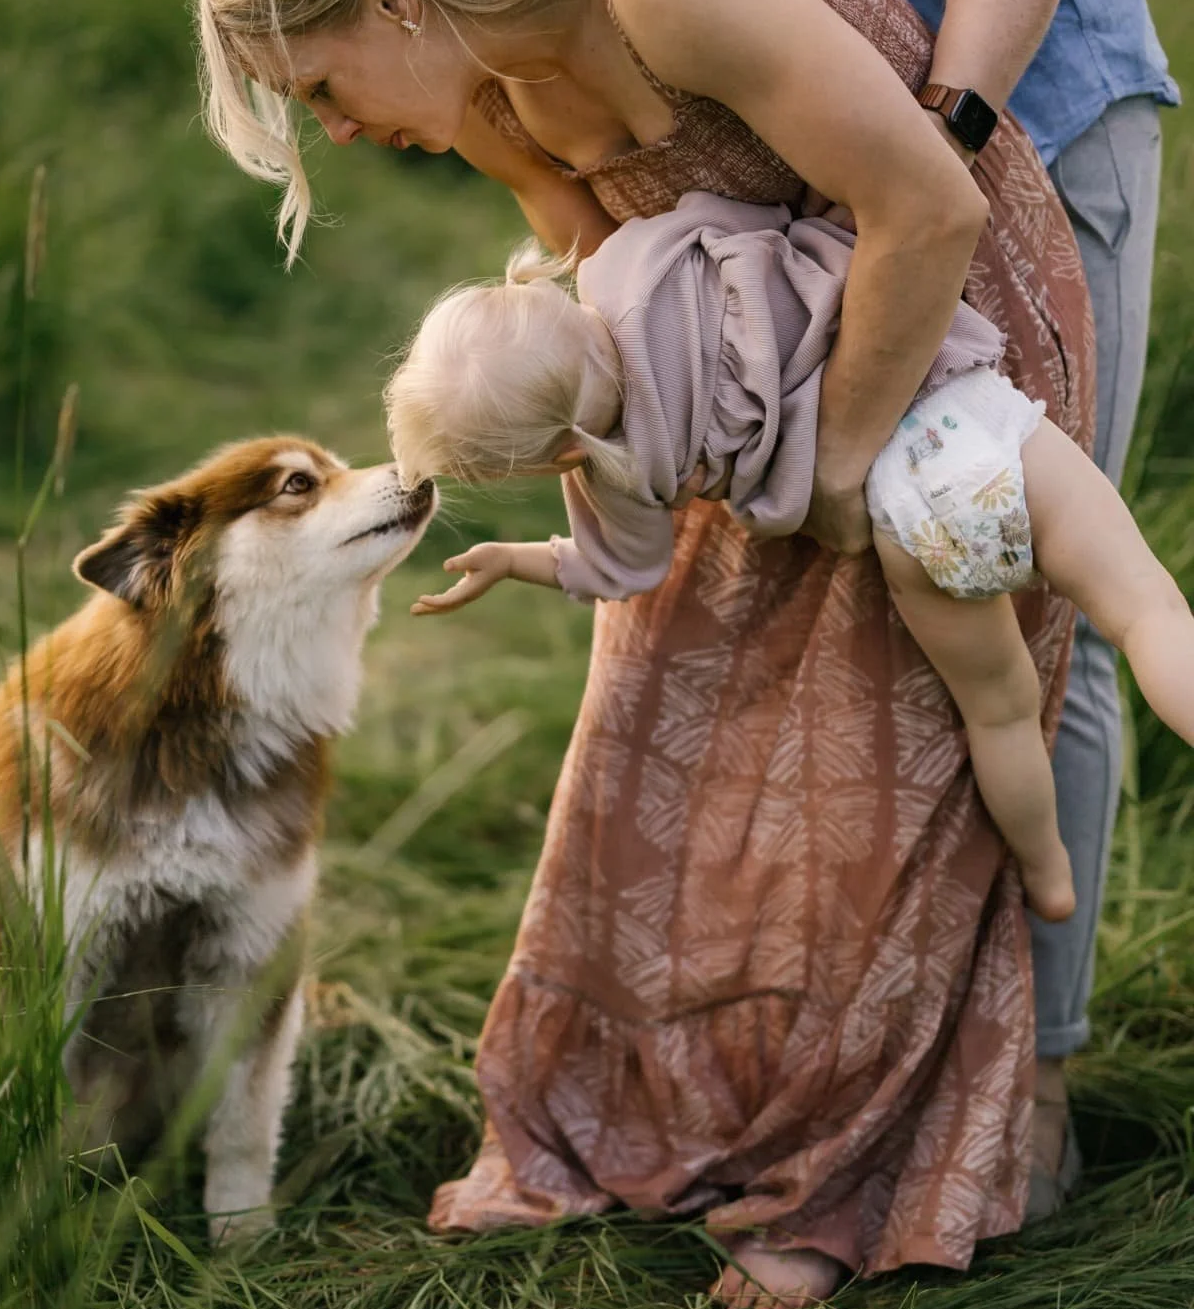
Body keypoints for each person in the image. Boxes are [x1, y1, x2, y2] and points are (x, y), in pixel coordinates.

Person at [196, 0, 1096, 1309]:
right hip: (735, 395)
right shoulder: (483, 91)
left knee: (871, 762)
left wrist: (838, 469)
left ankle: (840, 1184)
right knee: (658, 733)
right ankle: (655, 1127)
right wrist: (582, 436)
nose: (338, 130)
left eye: (324, 87)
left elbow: (926, 206)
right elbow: (595, 259)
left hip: (935, 343)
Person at [525, 0, 1179, 1220]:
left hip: (1024, 129)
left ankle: (1039, 1090)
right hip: (829, 209)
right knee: (891, 624)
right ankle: (882, 1092)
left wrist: (934, 143)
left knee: (1033, 601)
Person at [384, 193, 1194, 928]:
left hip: (901, 519)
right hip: (962, 415)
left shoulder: (623, 473)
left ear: (556, 454)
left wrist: (518, 559)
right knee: (1145, 611)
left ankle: (1048, 874)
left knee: (1000, 712)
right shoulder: (635, 259)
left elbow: (621, 572)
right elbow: (746, 216)